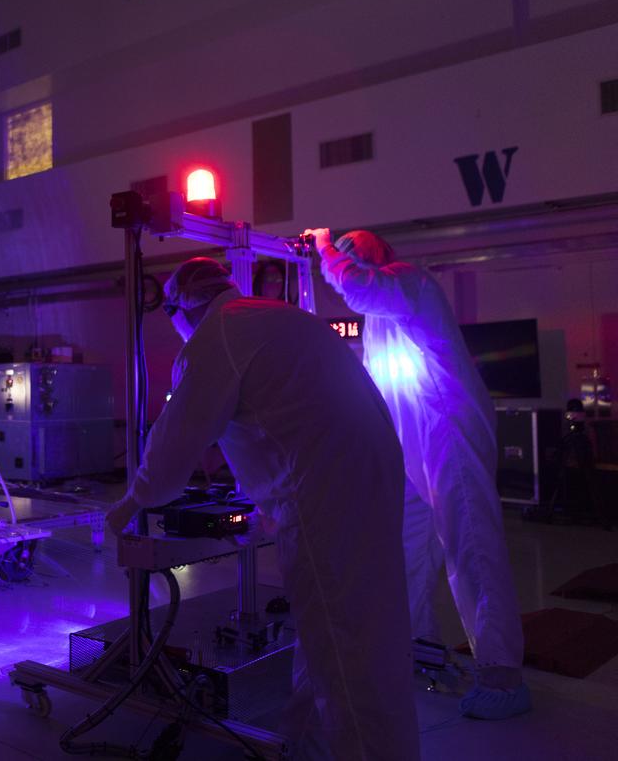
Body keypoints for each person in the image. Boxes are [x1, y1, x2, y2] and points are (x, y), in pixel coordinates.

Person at [106, 257, 419, 761]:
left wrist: (128, 503)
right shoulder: (275, 316)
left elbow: (169, 456)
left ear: (183, 305)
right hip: (372, 474)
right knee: (349, 626)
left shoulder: (215, 337)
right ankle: (305, 745)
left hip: (327, 491)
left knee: (343, 642)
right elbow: (285, 412)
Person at [309, 228, 530, 720]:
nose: (341, 262)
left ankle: (502, 673)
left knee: (470, 543)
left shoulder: (408, 282)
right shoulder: (375, 319)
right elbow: (377, 392)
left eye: (349, 253)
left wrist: (323, 245)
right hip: (412, 448)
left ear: (374, 255)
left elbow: (357, 286)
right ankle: (416, 646)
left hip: (449, 432)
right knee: (406, 549)